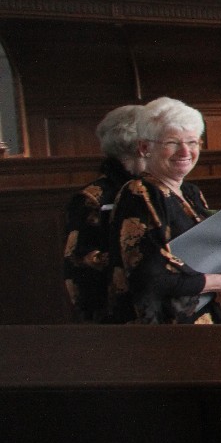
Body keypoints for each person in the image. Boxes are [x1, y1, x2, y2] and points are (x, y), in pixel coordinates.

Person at [110, 97, 221, 323]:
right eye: (172, 142)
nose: (185, 151)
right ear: (145, 148)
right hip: (168, 327)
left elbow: (217, 253)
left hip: (207, 315)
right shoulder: (139, 194)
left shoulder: (190, 192)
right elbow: (149, 278)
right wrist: (220, 281)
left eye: (192, 142)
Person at [64, 104, 144, 322]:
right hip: (116, 312)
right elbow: (79, 264)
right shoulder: (92, 198)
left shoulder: (152, 188)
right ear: (138, 145)